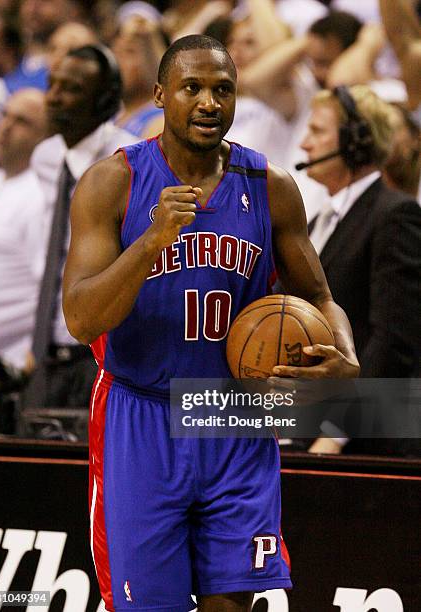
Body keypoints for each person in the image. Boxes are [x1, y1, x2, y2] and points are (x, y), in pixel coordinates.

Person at [63, 35, 359, 612]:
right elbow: (80, 318)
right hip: (141, 411)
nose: (208, 102)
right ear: (158, 95)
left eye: (223, 90)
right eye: (191, 87)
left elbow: (320, 296)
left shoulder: (269, 186)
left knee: (233, 604)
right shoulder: (113, 182)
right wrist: (150, 241)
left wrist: (343, 353)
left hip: (235, 416)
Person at [300, 85, 421, 454]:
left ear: (357, 141)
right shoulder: (317, 221)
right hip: (308, 425)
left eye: (318, 131)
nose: (305, 143)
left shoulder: (395, 214)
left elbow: (393, 340)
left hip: (365, 444)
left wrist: (336, 434)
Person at [24, 45, 136, 410]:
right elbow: (51, 249)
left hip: (103, 357)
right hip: (46, 356)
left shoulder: (129, 162)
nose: (53, 98)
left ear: (105, 102)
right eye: (52, 85)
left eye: (70, 89)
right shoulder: (45, 156)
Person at [0, 88, 47, 370]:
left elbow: (47, 293)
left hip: (7, 367)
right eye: (5, 116)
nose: (6, 127)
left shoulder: (41, 197)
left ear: (47, 138)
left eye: (22, 121)